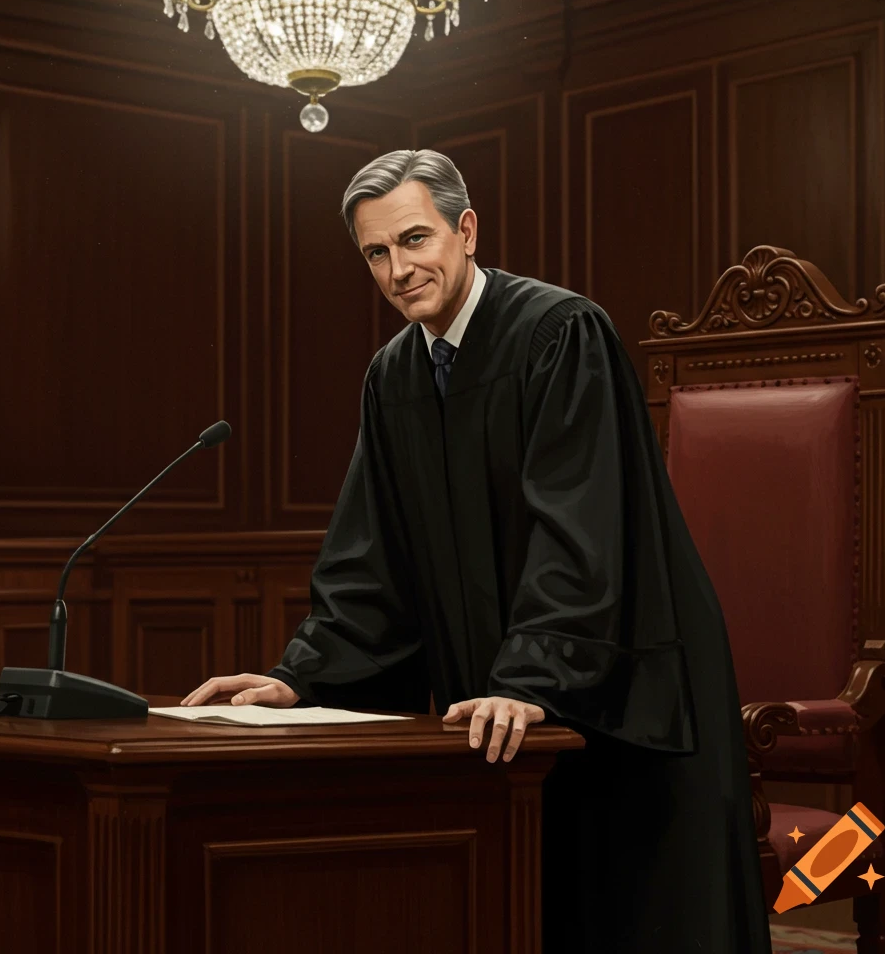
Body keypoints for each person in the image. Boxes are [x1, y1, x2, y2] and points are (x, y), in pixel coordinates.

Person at [182, 149, 772, 953]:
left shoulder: (561, 333)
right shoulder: (393, 374)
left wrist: (534, 681)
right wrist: (300, 677)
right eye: (376, 253)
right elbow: (370, 559)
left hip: (622, 690)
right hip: (503, 705)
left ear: (465, 231)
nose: (399, 269)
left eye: (415, 239)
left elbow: (583, 526)